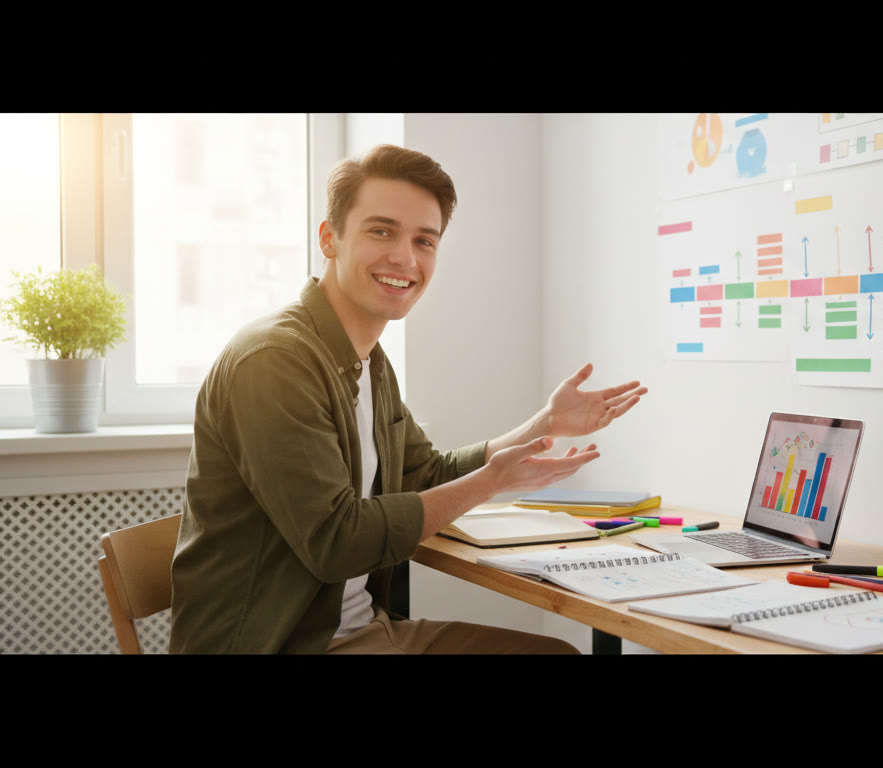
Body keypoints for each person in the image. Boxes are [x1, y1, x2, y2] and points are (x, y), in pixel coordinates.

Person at [169, 144, 646, 654]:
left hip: (364, 629)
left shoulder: (369, 361)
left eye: (425, 240)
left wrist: (542, 426)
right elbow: (337, 543)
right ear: (330, 239)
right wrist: (492, 481)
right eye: (382, 231)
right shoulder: (273, 361)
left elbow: (425, 475)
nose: (405, 257)